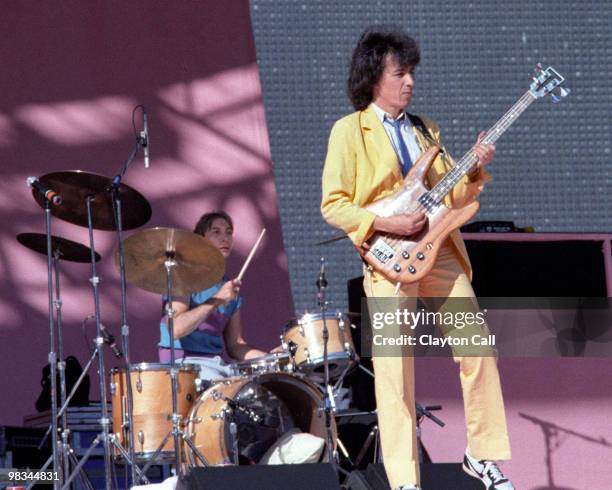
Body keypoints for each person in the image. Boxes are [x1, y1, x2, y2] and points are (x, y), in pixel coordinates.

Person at [320, 27, 513, 490]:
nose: (409, 82)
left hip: (439, 252)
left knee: (477, 347)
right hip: (388, 260)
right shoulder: (350, 132)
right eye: (400, 73)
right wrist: (385, 224)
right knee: (394, 372)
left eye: (411, 73)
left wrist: (476, 165)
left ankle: (481, 455)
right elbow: (334, 204)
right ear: (374, 78)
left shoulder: (426, 129)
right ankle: (405, 481)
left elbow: (452, 196)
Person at [158, 211, 268, 380]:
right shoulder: (183, 277)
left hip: (217, 364)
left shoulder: (230, 290)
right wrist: (216, 300)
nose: (225, 238)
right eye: (216, 232)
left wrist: (271, 359)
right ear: (201, 241)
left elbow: (235, 345)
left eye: (228, 232)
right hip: (183, 364)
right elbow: (175, 328)